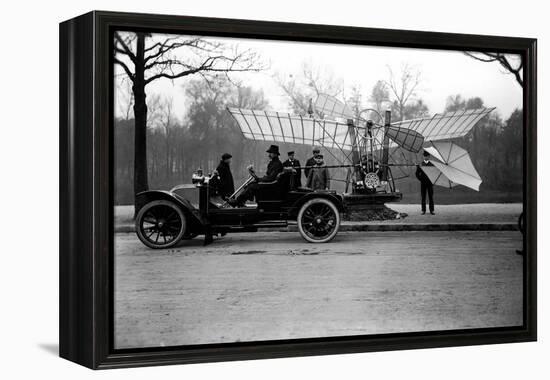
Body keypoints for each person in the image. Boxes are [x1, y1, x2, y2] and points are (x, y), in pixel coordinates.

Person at [415, 150, 435, 215]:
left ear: (429, 156)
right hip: (423, 183)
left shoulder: (432, 164)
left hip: (430, 183)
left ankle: (432, 210)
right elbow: (417, 174)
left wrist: (432, 180)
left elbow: (434, 174)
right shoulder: (420, 164)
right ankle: (423, 210)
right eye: (425, 156)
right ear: (423, 156)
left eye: (427, 156)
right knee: (423, 197)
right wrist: (421, 179)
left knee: (431, 197)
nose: (426, 157)